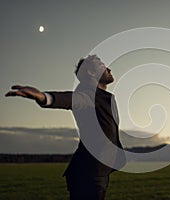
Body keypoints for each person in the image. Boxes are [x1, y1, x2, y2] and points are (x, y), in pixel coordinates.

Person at [5, 55, 125, 200]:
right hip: (89, 172)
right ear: (91, 73)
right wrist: (44, 97)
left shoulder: (102, 96)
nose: (109, 69)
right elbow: (72, 99)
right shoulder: (87, 95)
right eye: (102, 66)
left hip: (95, 170)